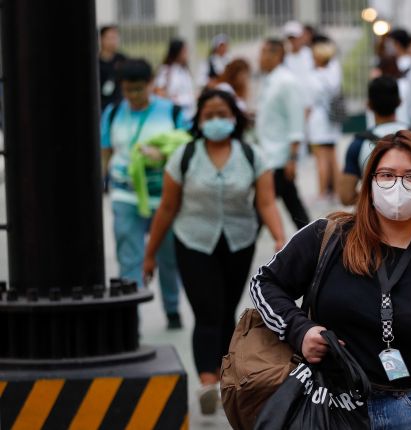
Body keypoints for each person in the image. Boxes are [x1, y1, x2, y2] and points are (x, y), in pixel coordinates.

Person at [251, 130, 411, 429]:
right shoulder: (327, 238)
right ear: (369, 184)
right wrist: (299, 330)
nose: (398, 186)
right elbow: (264, 283)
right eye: (386, 175)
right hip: (331, 407)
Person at [143, 89, 286, 415]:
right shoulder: (184, 155)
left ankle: (223, 378)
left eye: (223, 114)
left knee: (225, 312)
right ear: (199, 119)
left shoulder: (253, 155)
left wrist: (280, 238)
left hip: (238, 242)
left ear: (234, 117)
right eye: (209, 115)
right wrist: (150, 254)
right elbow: (166, 208)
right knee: (207, 311)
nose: (216, 120)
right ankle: (208, 381)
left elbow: (265, 202)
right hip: (193, 241)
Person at [100, 59, 184, 329]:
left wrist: (162, 154)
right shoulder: (113, 113)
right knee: (129, 257)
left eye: (139, 89)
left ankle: (172, 309)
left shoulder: (171, 112)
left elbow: (185, 146)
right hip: (126, 195)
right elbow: (106, 152)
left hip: (165, 198)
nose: (134, 96)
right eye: (128, 90)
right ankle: (130, 317)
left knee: (168, 256)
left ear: (150, 84)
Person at [256, 38, 310, 229]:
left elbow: (296, 121)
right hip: (269, 155)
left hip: (279, 158)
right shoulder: (270, 81)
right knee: (294, 207)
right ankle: (316, 246)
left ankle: (315, 246)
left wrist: (292, 158)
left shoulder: (286, 82)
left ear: (276, 54)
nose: (259, 58)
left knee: (261, 208)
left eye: (263, 53)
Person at [339, 77, 408, 206]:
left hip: (375, 221)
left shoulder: (358, 145)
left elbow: (346, 196)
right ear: (400, 102)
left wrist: (378, 198)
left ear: (369, 105)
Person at [305, 39, 342, 201]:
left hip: (319, 118)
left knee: (321, 157)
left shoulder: (312, 77)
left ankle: (321, 193)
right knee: (332, 155)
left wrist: (304, 123)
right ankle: (335, 191)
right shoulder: (333, 75)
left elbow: (308, 103)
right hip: (332, 118)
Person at [155, 38, 196, 122]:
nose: (187, 54)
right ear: (177, 52)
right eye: (184, 51)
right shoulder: (166, 70)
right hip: (174, 114)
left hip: (189, 114)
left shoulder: (185, 70)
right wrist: (176, 100)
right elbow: (159, 92)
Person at [99, 25, 127, 112]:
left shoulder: (122, 59)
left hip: (119, 105)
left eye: (115, 38)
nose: (113, 41)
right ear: (101, 39)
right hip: (100, 106)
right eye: (110, 38)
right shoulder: (96, 62)